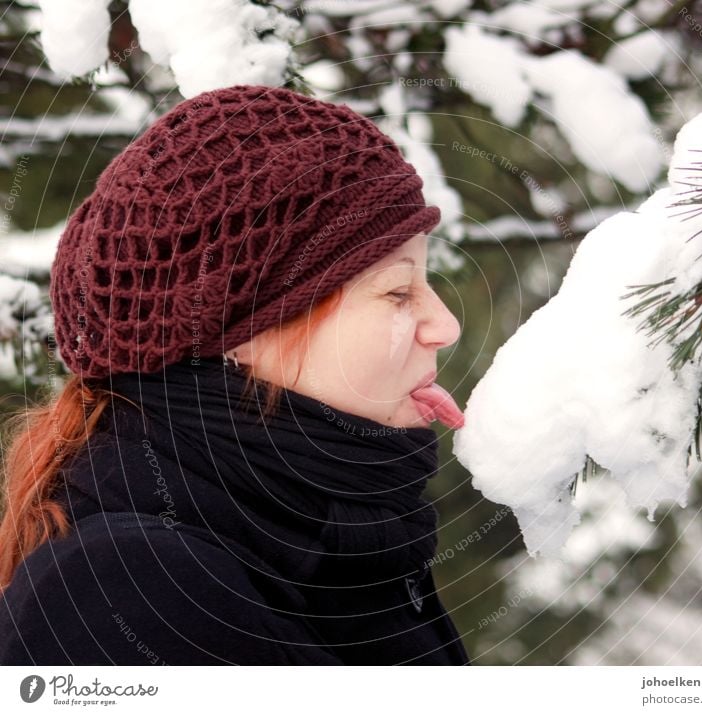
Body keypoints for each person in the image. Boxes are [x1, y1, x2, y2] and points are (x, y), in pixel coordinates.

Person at [0, 84, 470, 665]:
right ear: (241, 333)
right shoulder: (130, 593)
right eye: (398, 291)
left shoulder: (342, 539)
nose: (444, 325)